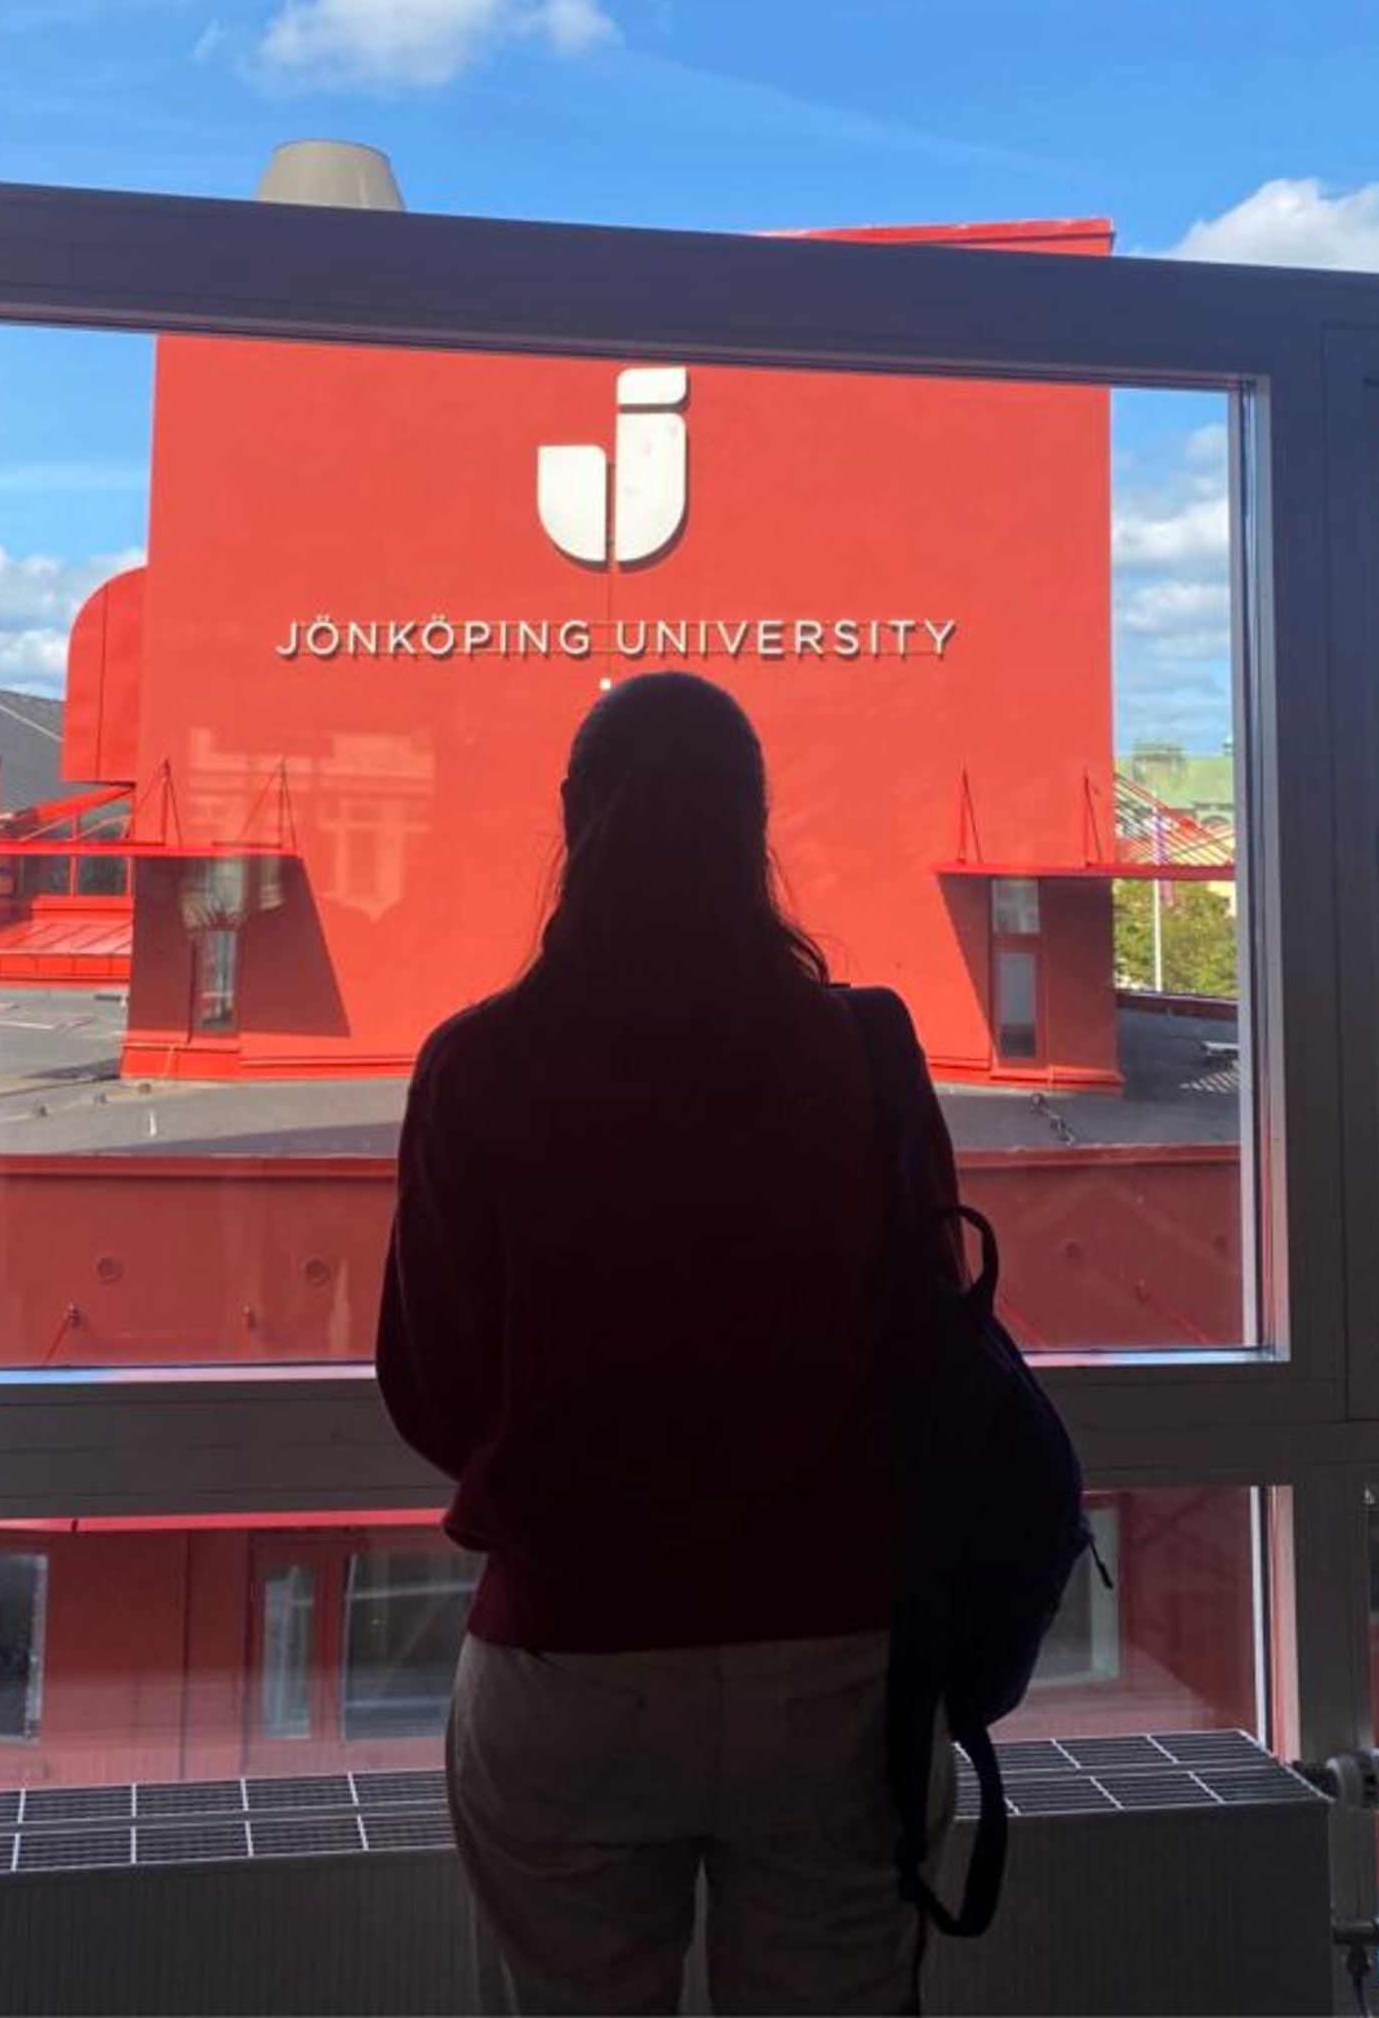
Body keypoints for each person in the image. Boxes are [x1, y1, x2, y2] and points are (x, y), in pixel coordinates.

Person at [377, 672, 959, 2017]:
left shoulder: (479, 1068)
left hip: (566, 1660)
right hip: (840, 1660)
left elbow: (429, 1387)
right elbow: (928, 1337)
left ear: (575, 816)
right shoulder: (863, 1054)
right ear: (755, 825)